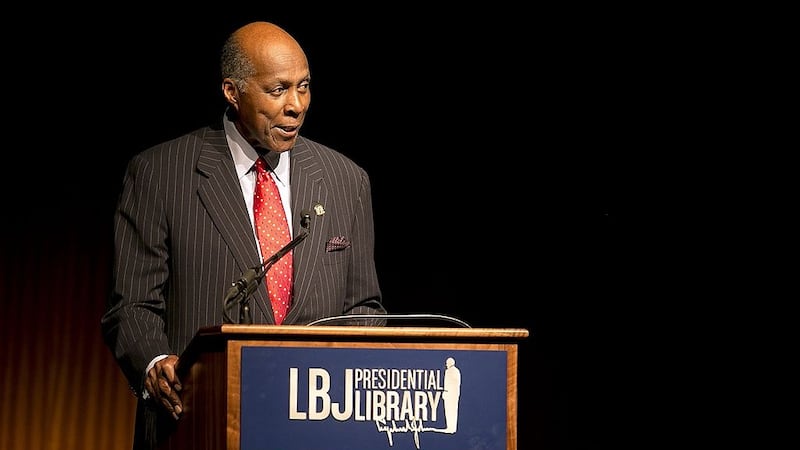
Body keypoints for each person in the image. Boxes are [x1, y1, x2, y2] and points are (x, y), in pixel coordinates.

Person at [100, 21, 386, 450]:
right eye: (278, 90)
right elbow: (133, 306)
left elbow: (364, 306)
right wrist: (155, 362)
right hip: (200, 423)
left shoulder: (346, 180)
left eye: (304, 86)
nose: (296, 105)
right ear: (232, 92)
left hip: (319, 429)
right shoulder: (161, 174)